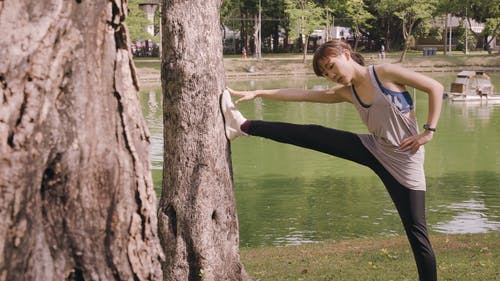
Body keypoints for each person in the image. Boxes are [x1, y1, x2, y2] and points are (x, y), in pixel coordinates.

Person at [221, 40, 443, 281]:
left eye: (331, 66)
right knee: (313, 135)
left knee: (417, 235)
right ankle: (242, 126)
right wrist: (259, 92)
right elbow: (304, 95)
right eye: (325, 73)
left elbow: (435, 87)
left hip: (404, 163)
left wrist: (428, 131)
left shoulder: (384, 72)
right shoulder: (348, 92)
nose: (331, 75)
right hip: (375, 148)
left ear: (345, 54)